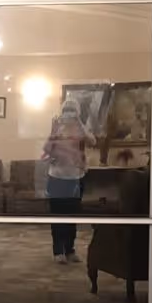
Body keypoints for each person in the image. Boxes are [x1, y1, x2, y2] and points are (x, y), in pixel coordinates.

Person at [41, 99, 94, 263]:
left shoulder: (81, 129)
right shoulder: (57, 127)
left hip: (76, 179)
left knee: (72, 215)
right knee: (57, 216)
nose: (69, 113)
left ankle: (70, 250)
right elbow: (46, 149)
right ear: (62, 111)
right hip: (57, 178)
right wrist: (54, 132)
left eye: (72, 110)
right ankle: (58, 252)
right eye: (67, 110)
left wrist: (79, 123)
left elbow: (93, 141)